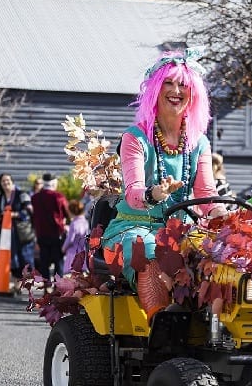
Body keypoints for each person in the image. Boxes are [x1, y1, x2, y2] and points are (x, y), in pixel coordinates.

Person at [101, 49, 227, 322]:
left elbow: (207, 196)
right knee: (150, 249)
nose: (176, 90)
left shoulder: (199, 143)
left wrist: (223, 215)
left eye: (183, 85)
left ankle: (216, 332)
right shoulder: (135, 138)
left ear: (193, 94)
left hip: (180, 232)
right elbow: (134, 194)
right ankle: (163, 327)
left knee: (222, 256)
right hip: (132, 229)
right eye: (168, 83)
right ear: (155, 90)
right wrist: (154, 193)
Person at [31, 172, 70, 281]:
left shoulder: (35, 198)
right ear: (54, 183)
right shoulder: (58, 197)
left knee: (44, 261)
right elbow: (67, 213)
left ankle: (46, 285)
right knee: (58, 261)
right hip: (56, 233)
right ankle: (58, 286)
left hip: (41, 233)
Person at [0, 174, 35, 280]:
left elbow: (29, 210)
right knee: (11, 258)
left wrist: (15, 214)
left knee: (23, 256)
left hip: (20, 232)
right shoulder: (0, 198)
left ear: (12, 181)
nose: (5, 183)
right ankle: (16, 281)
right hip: (6, 232)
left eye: (7, 180)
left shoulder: (22, 194)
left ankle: (24, 281)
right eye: (3, 181)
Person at [62, 200, 89, 274]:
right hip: (82, 252)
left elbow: (70, 240)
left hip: (72, 253)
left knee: (73, 277)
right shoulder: (85, 222)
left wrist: (63, 248)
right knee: (81, 276)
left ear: (72, 211)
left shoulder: (73, 223)